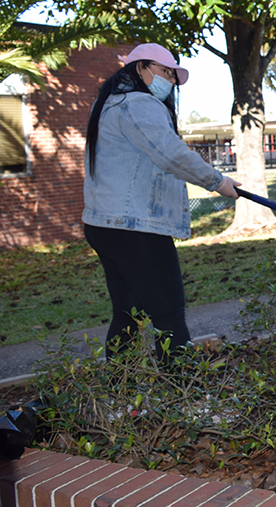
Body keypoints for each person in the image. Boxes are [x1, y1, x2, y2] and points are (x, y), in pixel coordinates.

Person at [83, 43, 241, 360]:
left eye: (172, 75)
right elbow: (172, 154)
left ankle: (116, 393)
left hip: (105, 225)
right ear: (139, 67)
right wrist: (219, 182)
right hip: (135, 228)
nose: (169, 80)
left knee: (128, 315)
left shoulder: (109, 103)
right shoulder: (139, 103)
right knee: (169, 315)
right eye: (164, 70)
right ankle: (180, 395)